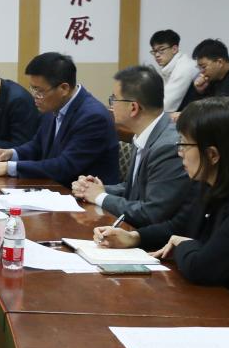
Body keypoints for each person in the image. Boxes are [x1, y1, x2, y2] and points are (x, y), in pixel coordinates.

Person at [94, 97, 229, 321]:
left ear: (212, 155)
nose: (179, 152)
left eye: (184, 144)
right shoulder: (209, 181)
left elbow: (203, 268)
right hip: (213, 301)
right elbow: (179, 226)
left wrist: (184, 244)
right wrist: (134, 237)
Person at [72, 65, 190, 227]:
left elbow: (151, 213)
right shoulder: (146, 132)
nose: (111, 106)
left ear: (133, 108)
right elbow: (134, 188)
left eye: (114, 99)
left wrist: (100, 197)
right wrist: (94, 189)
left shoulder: (168, 146)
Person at [0, 52, 119, 186]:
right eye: (32, 89)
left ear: (64, 88)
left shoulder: (93, 117)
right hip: (55, 188)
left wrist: (10, 168)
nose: (35, 96)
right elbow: (37, 145)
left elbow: (65, 166)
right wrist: (13, 153)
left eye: (39, 90)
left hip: (83, 196)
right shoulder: (54, 105)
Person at [148, 29, 198, 112]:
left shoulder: (184, 67)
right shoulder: (166, 67)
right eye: (154, 51)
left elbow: (167, 106)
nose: (157, 55)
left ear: (174, 49)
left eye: (161, 50)